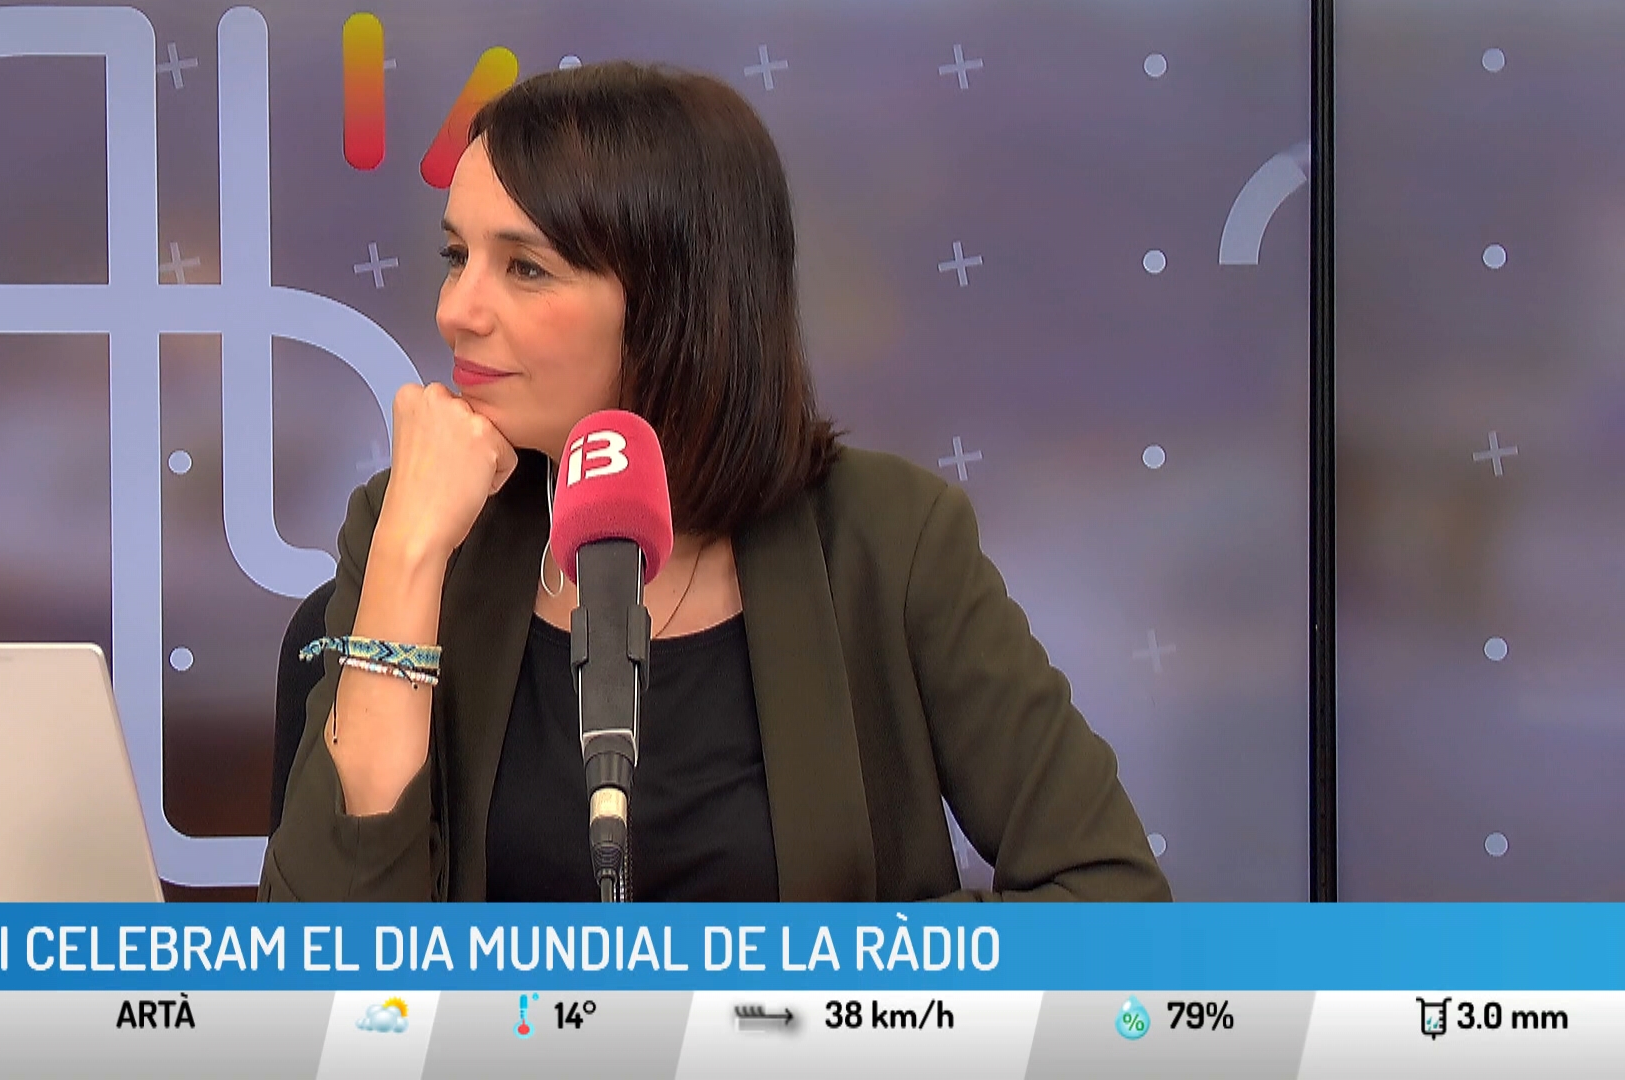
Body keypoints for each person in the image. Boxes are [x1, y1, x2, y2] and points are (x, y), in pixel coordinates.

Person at [262, 61, 1171, 902]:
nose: (455, 311)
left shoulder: (890, 540)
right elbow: (324, 969)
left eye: (526, 268)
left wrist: (819, 989)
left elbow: (1111, 899)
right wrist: (409, 552)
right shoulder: (414, 529)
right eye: (457, 257)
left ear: (677, 300)